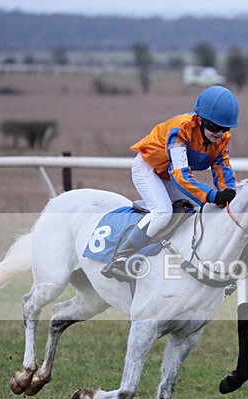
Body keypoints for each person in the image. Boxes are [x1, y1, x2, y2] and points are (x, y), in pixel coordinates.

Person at [101, 85, 240, 281]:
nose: (219, 133)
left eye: (225, 128)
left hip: (168, 174)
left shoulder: (221, 141)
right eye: (214, 127)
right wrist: (212, 195)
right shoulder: (181, 130)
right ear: (200, 120)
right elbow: (180, 176)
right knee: (163, 212)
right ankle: (121, 257)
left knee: (202, 211)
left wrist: (229, 194)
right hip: (148, 169)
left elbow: (223, 171)